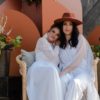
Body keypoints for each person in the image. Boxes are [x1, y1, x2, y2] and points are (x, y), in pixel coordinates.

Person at [54, 12, 100, 100]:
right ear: (61, 26)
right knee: (61, 81)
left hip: (82, 71)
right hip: (66, 72)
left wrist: (62, 72)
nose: (67, 27)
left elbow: (77, 61)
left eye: (70, 24)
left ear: (73, 27)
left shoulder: (80, 39)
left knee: (75, 83)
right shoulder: (59, 41)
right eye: (65, 24)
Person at [27, 23, 63, 100]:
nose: (54, 35)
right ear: (49, 31)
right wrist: (57, 46)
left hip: (50, 69)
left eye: (57, 35)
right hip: (39, 68)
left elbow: (56, 61)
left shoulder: (53, 45)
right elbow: (52, 55)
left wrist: (56, 46)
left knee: (60, 75)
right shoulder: (42, 40)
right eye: (53, 31)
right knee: (52, 71)